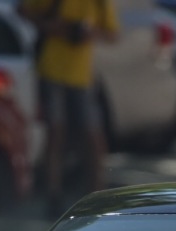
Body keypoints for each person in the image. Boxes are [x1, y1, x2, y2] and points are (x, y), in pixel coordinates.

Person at [19, 0, 120, 216]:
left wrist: (89, 32)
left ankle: (96, 196)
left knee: (93, 137)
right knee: (56, 134)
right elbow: (23, 10)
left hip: (81, 76)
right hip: (51, 69)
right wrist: (50, 26)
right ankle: (53, 196)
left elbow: (112, 33)